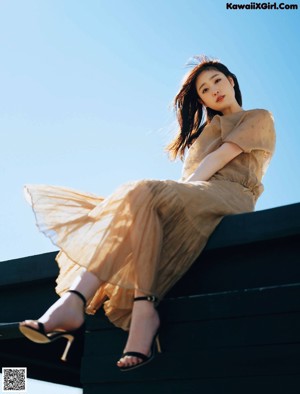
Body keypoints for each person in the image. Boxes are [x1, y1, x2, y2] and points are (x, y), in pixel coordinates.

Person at [19, 56, 276, 371]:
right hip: (198, 195)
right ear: (203, 100)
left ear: (232, 80)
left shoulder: (258, 117)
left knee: (142, 192)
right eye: (205, 90)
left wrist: (169, 194)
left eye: (217, 81)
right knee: (139, 199)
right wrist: (167, 197)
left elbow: (221, 158)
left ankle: (80, 302)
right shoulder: (204, 134)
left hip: (232, 195)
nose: (214, 91)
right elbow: (189, 180)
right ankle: (100, 304)